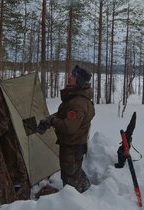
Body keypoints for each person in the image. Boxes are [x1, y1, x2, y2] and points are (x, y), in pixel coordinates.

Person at [37, 65, 95, 193]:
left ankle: (77, 202)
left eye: (73, 76)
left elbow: (69, 127)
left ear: (79, 81)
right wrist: (50, 119)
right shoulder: (75, 98)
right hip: (74, 145)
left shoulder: (77, 103)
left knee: (70, 182)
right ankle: (87, 192)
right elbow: (64, 115)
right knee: (75, 172)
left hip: (72, 146)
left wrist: (52, 121)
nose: (69, 77)